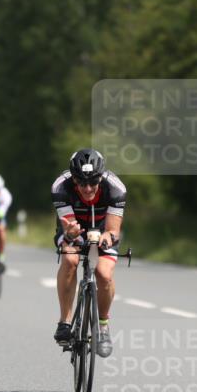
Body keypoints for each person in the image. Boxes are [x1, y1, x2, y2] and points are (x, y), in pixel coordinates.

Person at [51, 148, 126, 358]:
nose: (87, 188)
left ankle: (102, 325)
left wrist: (107, 237)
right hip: (73, 227)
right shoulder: (60, 187)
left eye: (93, 182)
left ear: (101, 177)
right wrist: (70, 233)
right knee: (70, 259)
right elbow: (68, 226)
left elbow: (113, 230)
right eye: (81, 183)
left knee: (104, 274)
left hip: (103, 229)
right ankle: (65, 322)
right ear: (73, 179)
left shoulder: (116, 188)